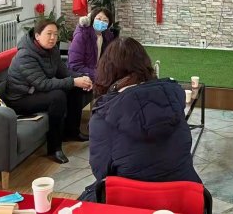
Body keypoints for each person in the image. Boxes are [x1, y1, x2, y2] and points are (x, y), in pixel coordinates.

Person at [81, 37, 201, 200]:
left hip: (130, 201)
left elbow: (100, 172)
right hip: (185, 198)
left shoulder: (103, 116)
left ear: (106, 70)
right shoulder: (171, 100)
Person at [5, 19, 93, 164]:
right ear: (37, 35)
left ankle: (71, 132)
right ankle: (54, 149)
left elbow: (63, 72)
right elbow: (42, 84)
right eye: (49, 34)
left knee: (76, 88)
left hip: (36, 92)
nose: (53, 38)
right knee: (57, 96)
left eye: (55, 34)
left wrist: (82, 78)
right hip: (20, 98)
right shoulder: (25, 55)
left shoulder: (53, 50)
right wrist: (73, 81)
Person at [67, 7, 115, 81]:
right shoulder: (81, 35)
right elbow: (75, 65)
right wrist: (98, 74)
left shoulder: (108, 37)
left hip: (100, 77)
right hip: (81, 78)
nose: (101, 22)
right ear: (92, 19)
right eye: (98, 19)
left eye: (105, 20)